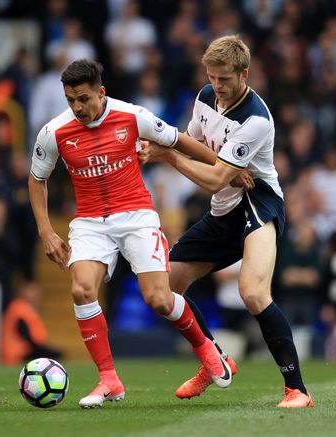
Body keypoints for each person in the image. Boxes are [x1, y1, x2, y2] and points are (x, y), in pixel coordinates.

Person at [28, 59, 233, 409]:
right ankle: (109, 379)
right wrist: (46, 230)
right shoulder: (53, 132)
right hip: (91, 222)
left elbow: (180, 141)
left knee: (159, 299)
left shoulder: (133, 116)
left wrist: (225, 166)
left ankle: (207, 350)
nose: (77, 107)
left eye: (83, 99)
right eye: (70, 100)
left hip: (136, 216)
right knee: (81, 289)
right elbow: (36, 179)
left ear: (101, 92)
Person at [139, 35, 314, 408]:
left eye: (224, 79)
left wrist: (167, 158)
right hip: (224, 208)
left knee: (252, 292)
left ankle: (297, 389)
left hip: (258, 203)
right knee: (165, 288)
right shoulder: (206, 97)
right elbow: (191, 142)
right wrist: (171, 147)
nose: (217, 85)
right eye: (211, 76)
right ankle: (214, 358)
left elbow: (213, 178)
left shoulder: (256, 119)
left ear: (244, 74)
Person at [0, 281, 62, 365]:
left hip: (25, 351)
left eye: (36, 291)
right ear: (23, 292)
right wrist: (44, 349)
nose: (35, 294)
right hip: (19, 354)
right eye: (31, 290)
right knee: (54, 354)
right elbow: (25, 336)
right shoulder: (19, 308)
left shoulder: (27, 308)